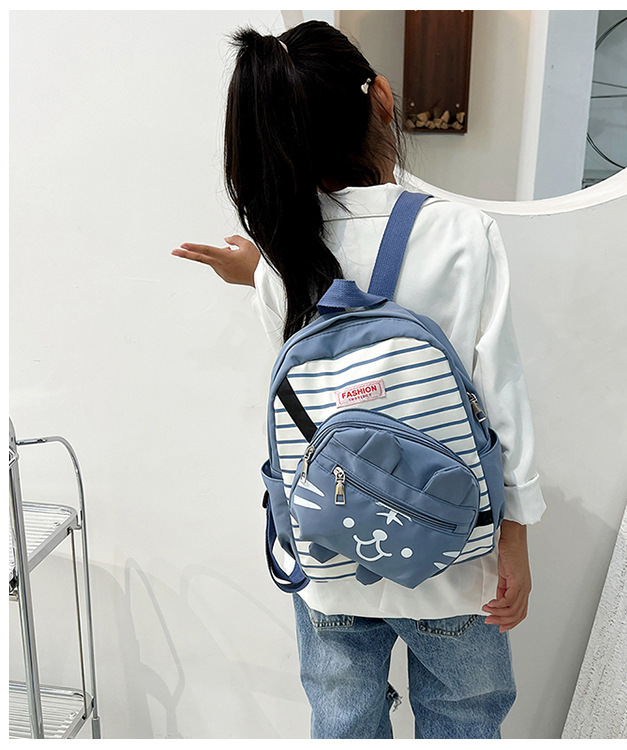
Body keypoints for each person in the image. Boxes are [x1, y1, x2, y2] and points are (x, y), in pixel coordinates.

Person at [172, 20, 546, 740]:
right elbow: (502, 397)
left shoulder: (285, 252)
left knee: (343, 722)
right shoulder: (461, 234)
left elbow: (317, 369)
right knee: (465, 719)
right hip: (451, 556)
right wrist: (516, 537)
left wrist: (255, 273)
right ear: (381, 97)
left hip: (329, 550)